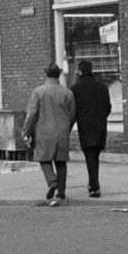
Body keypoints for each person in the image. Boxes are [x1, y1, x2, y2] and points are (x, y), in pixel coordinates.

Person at [22, 63, 76, 206]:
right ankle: (62, 192)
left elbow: (32, 114)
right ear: (58, 75)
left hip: (44, 131)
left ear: (46, 75)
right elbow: (72, 115)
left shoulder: (39, 92)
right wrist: (67, 129)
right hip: (62, 131)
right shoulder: (67, 93)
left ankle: (52, 181)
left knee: (44, 159)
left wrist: (26, 132)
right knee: (61, 161)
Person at [71, 59, 112, 198]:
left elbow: (73, 110)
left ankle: (95, 187)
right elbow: (108, 107)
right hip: (100, 126)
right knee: (95, 156)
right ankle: (92, 183)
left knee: (89, 156)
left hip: (85, 126)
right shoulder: (102, 86)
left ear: (80, 71)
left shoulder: (75, 89)